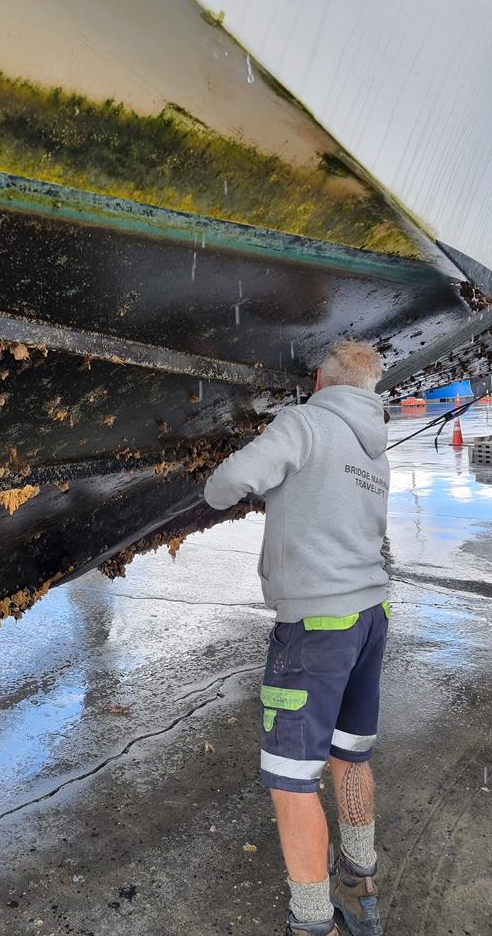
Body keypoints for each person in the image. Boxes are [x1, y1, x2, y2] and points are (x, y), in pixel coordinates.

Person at [204, 339, 390, 936]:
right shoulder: (376, 444)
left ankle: (313, 924)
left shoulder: (307, 421)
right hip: (368, 616)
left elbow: (231, 479)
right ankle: (360, 883)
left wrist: (217, 492)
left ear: (319, 380)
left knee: (291, 778)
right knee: (349, 753)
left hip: (316, 628)